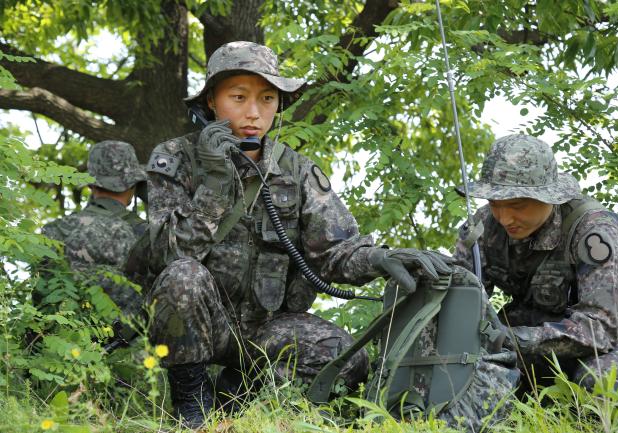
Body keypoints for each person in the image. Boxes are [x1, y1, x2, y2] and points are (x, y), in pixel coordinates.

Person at [145, 40, 453, 428]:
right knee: (182, 278)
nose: (254, 112)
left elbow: (336, 251)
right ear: (211, 101)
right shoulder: (175, 159)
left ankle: (238, 390)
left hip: (266, 326)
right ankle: (192, 405)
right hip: (206, 321)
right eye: (238, 97)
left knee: (346, 358)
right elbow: (169, 255)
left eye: (268, 99)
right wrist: (216, 182)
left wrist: (382, 258)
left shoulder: (298, 171)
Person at [454, 134, 618, 394]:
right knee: (466, 372)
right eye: (494, 204)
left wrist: (505, 338)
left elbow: (597, 331)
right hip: (535, 346)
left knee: (603, 380)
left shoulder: (595, 231)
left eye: (516, 204)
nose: (503, 217)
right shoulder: (484, 228)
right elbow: (458, 301)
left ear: (549, 196)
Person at [42, 140, 148, 318]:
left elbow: (41, 297)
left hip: (59, 335)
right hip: (128, 340)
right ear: (133, 184)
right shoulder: (141, 233)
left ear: (91, 184)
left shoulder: (53, 231)